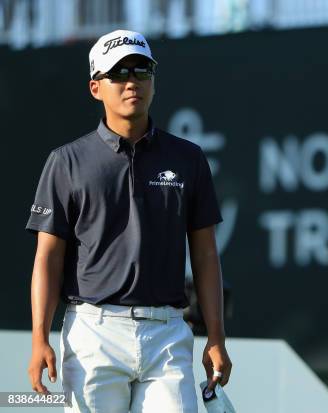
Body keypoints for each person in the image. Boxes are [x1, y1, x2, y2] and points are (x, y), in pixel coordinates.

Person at [25, 29, 232, 412]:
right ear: (95, 87)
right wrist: (40, 337)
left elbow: (205, 255)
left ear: (153, 81)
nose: (131, 81)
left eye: (141, 70)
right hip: (93, 332)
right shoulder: (66, 162)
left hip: (168, 332)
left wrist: (216, 337)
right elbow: (48, 257)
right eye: (118, 73)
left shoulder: (188, 158)